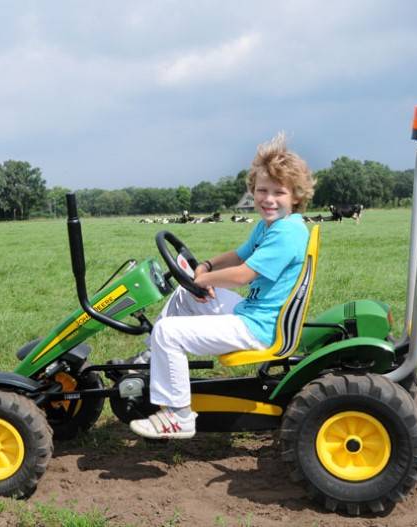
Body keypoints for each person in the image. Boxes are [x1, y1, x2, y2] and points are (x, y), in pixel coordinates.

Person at [128, 132, 314, 439]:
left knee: (167, 332)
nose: (268, 199)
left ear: (295, 196)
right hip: (253, 313)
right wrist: (207, 266)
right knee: (184, 295)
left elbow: (243, 274)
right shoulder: (270, 225)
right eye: (262, 190)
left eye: (278, 192)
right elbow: (239, 255)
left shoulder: (287, 233)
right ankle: (149, 360)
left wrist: (203, 279)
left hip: (259, 328)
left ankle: (178, 416)